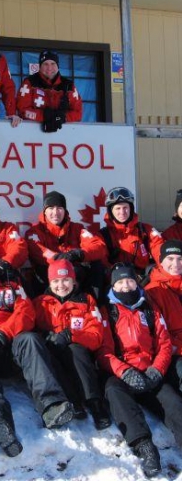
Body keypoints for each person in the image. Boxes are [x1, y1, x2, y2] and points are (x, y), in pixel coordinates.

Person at [0, 230, 74, 457]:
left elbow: (26, 312)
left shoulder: (9, 279)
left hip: (7, 347)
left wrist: (1, 336)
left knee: (30, 339)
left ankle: (51, 405)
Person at [97, 263, 182, 478]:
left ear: (136, 282)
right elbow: (104, 352)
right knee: (114, 392)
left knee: (173, 403)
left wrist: (157, 370)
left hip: (151, 373)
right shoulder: (109, 311)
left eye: (130, 281)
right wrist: (125, 372)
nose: (126, 286)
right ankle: (144, 446)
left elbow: (164, 344)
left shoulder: (149, 308)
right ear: (113, 286)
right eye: (120, 282)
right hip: (123, 375)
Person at [33, 259, 111, 430]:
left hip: (80, 355)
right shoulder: (41, 302)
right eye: (56, 281)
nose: (61, 285)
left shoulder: (86, 300)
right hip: (53, 350)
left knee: (75, 349)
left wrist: (70, 335)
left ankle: (95, 403)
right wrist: (48, 336)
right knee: (48, 357)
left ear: (74, 280)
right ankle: (73, 402)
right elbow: (33, 328)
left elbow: (96, 336)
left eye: (66, 280)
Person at [25, 190, 107, 297]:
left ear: (65, 211)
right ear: (44, 211)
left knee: (96, 266)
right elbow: (38, 250)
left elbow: (99, 246)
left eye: (59, 208)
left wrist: (79, 254)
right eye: (51, 208)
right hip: (49, 276)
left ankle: (94, 305)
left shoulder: (77, 228)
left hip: (73, 275)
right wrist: (59, 258)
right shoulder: (35, 232)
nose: (55, 212)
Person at [100, 187, 164, 278]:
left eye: (125, 207)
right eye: (118, 208)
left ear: (131, 208)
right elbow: (102, 263)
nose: (122, 212)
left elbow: (160, 251)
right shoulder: (104, 235)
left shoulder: (145, 230)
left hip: (142, 279)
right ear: (111, 211)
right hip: (116, 281)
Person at [145, 240, 182, 393]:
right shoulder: (153, 291)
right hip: (173, 353)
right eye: (170, 258)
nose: (176, 263)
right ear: (160, 261)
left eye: (180, 258)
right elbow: (159, 335)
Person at [16, 50, 82, 132]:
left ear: (58, 65)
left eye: (53, 64)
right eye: (45, 64)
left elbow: (78, 113)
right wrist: (45, 116)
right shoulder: (29, 83)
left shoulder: (69, 86)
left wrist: (62, 117)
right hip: (32, 133)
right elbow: (23, 111)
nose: (49, 68)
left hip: (64, 134)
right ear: (40, 66)